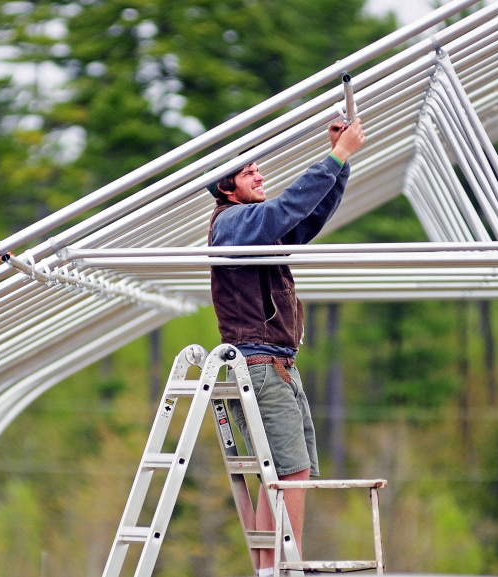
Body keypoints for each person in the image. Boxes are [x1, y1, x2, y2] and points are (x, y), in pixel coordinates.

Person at [207, 118, 365, 576]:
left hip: (276, 365)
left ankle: (270, 569)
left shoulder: (252, 226)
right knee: (290, 475)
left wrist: (341, 165)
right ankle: (283, 570)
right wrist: (334, 157)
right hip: (259, 364)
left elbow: (304, 218)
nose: (259, 175)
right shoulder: (234, 222)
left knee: (283, 474)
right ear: (228, 189)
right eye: (248, 172)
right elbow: (283, 210)